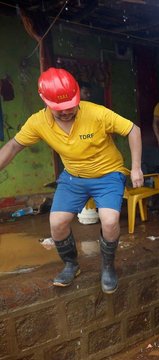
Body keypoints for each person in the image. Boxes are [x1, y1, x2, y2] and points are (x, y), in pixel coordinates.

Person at [0, 68, 143, 294]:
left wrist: (135, 168)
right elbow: (14, 146)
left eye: (71, 107)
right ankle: (71, 264)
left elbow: (133, 130)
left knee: (109, 221)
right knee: (56, 223)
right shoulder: (37, 122)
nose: (67, 113)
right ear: (45, 101)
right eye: (60, 111)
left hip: (108, 175)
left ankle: (107, 267)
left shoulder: (96, 113)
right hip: (73, 176)